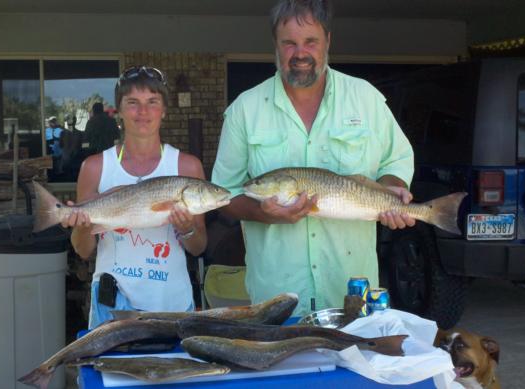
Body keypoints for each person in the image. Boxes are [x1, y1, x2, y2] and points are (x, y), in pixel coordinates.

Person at [211, 0, 416, 316]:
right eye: (289, 43)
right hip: (276, 297)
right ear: (276, 46)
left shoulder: (366, 100)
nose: (300, 53)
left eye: (310, 42)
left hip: (351, 292)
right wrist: (266, 214)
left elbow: (396, 160)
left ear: (328, 42)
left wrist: (390, 189)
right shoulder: (245, 110)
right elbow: (224, 193)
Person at [62, 66, 208, 328]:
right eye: (133, 103)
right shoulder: (95, 167)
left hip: (171, 303)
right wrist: (83, 228)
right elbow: (83, 250)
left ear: (164, 110)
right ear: (118, 110)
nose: (143, 112)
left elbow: (198, 247)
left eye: (152, 102)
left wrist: (186, 229)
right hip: (112, 307)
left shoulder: (187, 167)